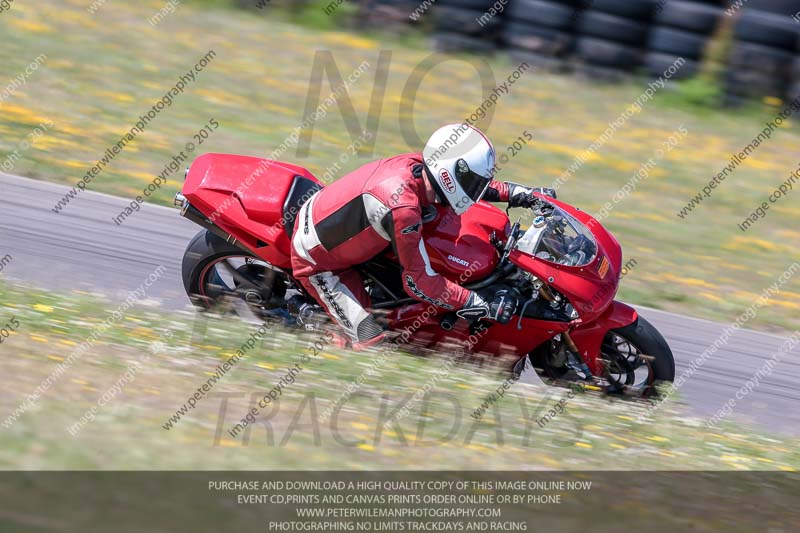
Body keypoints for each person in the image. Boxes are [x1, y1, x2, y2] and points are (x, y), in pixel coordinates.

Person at [290, 123, 556, 349]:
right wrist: (481, 303)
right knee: (373, 343)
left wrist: (523, 193)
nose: (477, 189)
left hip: (346, 228)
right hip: (319, 261)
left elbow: (472, 186)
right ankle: (311, 321)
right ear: (450, 175)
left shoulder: (423, 168)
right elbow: (420, 282)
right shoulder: (404, 208)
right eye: (473, 182)